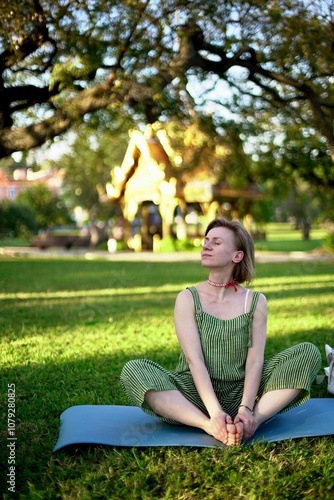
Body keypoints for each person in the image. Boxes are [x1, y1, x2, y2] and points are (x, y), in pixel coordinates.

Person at [120, 218, 321, 445]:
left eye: (216, 242)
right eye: (206, 241)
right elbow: (194, 360)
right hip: (194, 394)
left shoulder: (255, 301)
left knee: (307, 353)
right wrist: (214, 414)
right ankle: (208, 425)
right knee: (134, 370)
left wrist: (246, 409)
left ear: (237, 256)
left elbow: (255, 361)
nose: (206, 246)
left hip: (246, 390)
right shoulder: (188, 298)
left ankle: (250, 421)